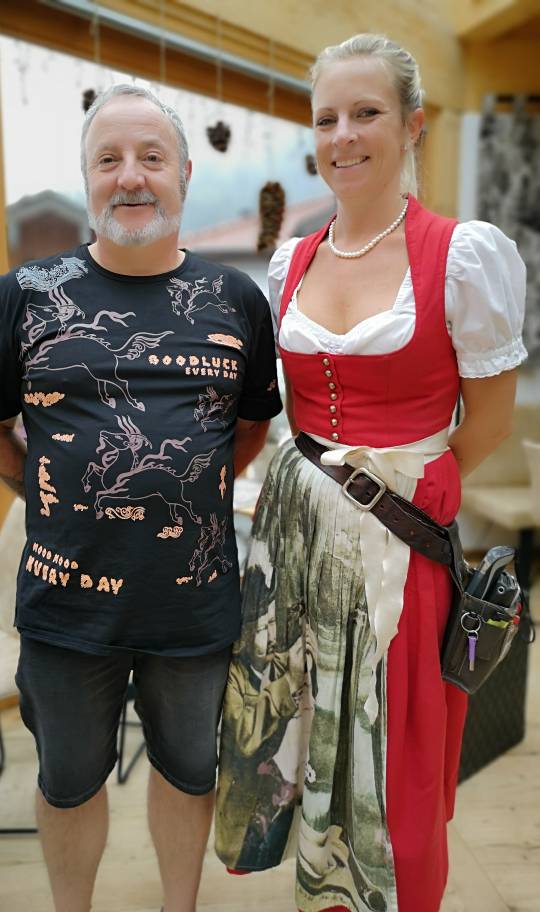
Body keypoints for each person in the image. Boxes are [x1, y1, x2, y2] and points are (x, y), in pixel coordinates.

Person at [215, 33, 527, 912]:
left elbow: (489, 422)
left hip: (398, 546)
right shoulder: (293, 258)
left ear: (413, 124)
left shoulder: (460, 254)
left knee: (394, 769)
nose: (343, 135)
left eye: (366, 113)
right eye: (326, 119)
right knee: (302, 739)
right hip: (293, 540)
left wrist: (403, 488)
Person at [0, 84, 282, 912]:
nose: (130, 176)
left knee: (189, 771)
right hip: (66, 606)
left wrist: (187, 490)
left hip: (194, 604)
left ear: (182, 176)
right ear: (87, 177)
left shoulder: (236, 299)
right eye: (108, 159)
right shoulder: (26, 293)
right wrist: (43, 491)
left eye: (151, 157)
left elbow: (250, 427)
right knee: (68, 783)